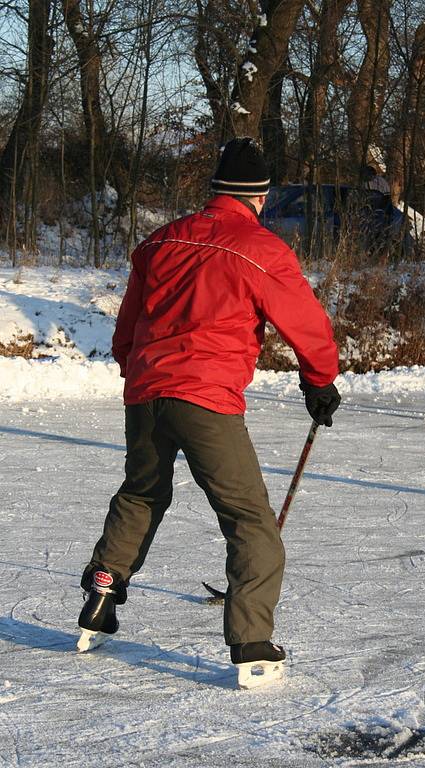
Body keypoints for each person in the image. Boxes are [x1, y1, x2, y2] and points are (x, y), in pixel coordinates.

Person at [77, 137, 341, 688]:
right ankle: (251, 643)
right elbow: (308, 324)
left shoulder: (161, 240)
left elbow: (128, 326)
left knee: (142, 493)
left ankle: (104, 587)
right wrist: (319, 381)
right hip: (207, 399)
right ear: (260, 197)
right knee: (248, 518)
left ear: (215, 189)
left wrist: (138, 372)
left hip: (147, 392)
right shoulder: (261, 248)